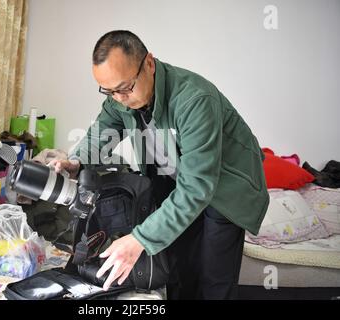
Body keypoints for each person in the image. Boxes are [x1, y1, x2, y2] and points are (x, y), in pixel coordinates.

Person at [51, 30, 269, 300]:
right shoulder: (120, 98)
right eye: (109, 91)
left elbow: (197, 187)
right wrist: (77, 160)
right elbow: (102, 131)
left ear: (149, 64)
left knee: (213, 275)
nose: (118, 98)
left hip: (224, 188)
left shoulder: (194, 99)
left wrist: (139, 239)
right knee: (177, 266)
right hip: (177, 179)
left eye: (124, 88)